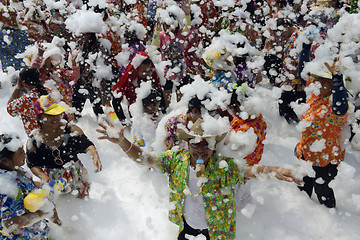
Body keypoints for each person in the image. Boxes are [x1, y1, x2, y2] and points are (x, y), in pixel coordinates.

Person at [97, 117, 301, 239]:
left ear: (214, 146)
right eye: (195, 143)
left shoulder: (223, 167)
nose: (200, 149)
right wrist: (123, 142)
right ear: (188, 144)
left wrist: (272, 170)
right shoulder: (176, 160)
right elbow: (146, 158)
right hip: (186, 224)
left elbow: (249, 172)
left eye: (206, 144)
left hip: (217, 230)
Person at [295, 59, 349, 208]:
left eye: (324, 81)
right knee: (303, 185)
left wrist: (337, 78)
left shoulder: (334, 106)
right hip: (307, 152)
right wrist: (305, 47)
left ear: (333, 86)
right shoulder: (315, 97)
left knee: (322, 189)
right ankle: (302, 212)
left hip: (326, 159)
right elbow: (303, 75)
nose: (317, 83)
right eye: (317, 80)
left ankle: (329, 218)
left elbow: (341, 107)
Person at [26, 95, 102, 198]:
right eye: (49, 115)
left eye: (57, 113)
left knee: (82, 198)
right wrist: (42, 176)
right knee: (59, 202)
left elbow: (87, 145)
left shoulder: (71, 130)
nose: (55, 117)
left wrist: (94, 153)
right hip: (52, 177)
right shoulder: (34, 141)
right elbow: (32, 164)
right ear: (39, 117)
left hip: (76, 172)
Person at [0, 133, 61, 239]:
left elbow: (26, 184)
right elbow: (9, 224)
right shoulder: (6, 187)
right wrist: (43, 213)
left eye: (23, 150)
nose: (24, 154)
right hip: (22, 235)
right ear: (5, 160)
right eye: (20, 153)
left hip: (36, 228)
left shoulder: (14, 169)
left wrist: (46, 185)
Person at [7, 66, 49, 136]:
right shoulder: (49, 91)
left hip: (37, 138)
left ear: (22, 82)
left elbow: (10, 109)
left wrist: (18, 88)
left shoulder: (27, 99)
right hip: (53, 133)